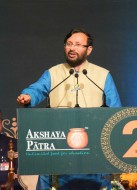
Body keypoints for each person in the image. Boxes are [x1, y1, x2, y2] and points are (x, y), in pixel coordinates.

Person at [17, 28, 122, 189]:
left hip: (92, 145)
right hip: (58, 144)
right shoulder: (53, 73)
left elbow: (116, 110)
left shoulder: (103, 75)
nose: (72, 48)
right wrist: (28, 96)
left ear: (89, 49)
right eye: (69, 44)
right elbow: (37, 89)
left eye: (78, 44)